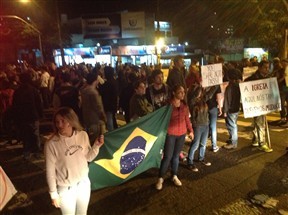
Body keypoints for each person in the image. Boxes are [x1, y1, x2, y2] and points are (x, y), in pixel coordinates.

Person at [45, 107, 104, 215]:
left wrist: (96, 146)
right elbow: (50, 172)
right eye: (57, 122)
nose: (59, 125)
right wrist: (53, 194)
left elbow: (88, 158)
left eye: (63, 121)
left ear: (71, 121)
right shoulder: (51, 144)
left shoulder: (82, 135)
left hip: (84, 184)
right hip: (66, 189)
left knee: (82, 213)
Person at [155, 85, 194, 190]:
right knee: (167, 157)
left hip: (181, 134)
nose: (182, 94)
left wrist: (191, 131)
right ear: (173, 93)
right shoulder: (167, 106)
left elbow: (187, 120)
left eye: (183, 92)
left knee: (176, 156)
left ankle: (174, 175)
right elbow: (161, 119)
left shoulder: (184, 106)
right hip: (170, 134)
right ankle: (160, 178)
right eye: (180, 92)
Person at [12, 72, 43, 160]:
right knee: (35, 134)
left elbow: (15, 106)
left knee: (25, 135)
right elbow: (39, 103)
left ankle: (27, 151)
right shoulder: (33, 90)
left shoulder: (18, 91)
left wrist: (15, 118)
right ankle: (36, 150)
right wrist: (40, 114)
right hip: (33, 115)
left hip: (22, 117)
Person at [245, 60, 273, 153]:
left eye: (268, 67)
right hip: (256, 104)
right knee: (260, 124)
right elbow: (246, 84)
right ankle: (262, 143)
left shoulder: (268, 77)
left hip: (264, 103)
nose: (267, 69)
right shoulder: (254, 78)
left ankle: (256, 139)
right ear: (260, 68)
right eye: (265, 67)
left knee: (258, 122)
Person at [187, 84, 211, 172]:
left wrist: (216, 85)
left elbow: (210, 94)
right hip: (198, 126)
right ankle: (190, 162)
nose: (201, 92)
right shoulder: (192, 102)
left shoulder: (202, 100)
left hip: (205, 125)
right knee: (195, 145)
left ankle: (201, 158)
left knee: (203, 144)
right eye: (199, 91)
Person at [81, 70, 106, 142]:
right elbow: (99, 107)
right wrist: (104, 117)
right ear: (95, 81)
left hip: (86, 119)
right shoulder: (93, 92)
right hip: (95, 120)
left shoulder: (83, 90)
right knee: (95, 141)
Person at [222, 68, 242, 150]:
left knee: (232, 126)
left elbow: (227, 100)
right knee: (233, 124)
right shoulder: (238, 86)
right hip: (236, 108)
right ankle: (232, 140)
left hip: (230, 109)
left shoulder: (229, 87)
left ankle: (233, 143)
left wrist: (225, 111)